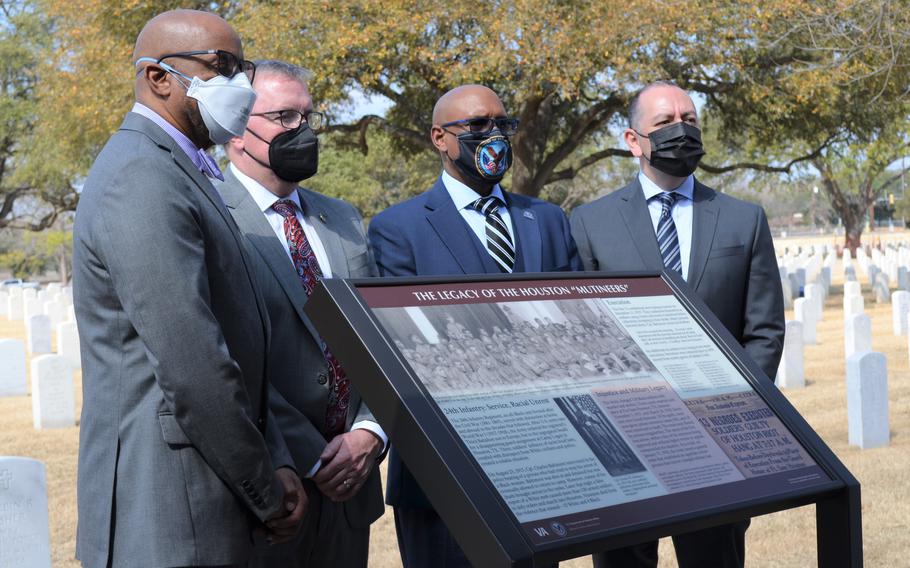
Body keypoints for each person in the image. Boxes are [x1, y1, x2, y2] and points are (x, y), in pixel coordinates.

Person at [72, 10, 306, 568]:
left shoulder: (184, 169)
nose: (240, 86)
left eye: (241, 68)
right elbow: (193, 361)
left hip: (206, 495)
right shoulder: (141, 177)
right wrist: (265, 488)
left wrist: (276, 455)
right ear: (158, 79)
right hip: (171, 510)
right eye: (221, 67)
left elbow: (244, 343)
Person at [569, 80, 785, 568]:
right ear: (632, 140)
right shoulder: (589, 222)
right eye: (664, 123)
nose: (680, 131)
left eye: (689, 120)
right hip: (625, 433)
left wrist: (734, 408)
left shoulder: (743, 219)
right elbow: (583, 335)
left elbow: (765, 330)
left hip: (721, 434)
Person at [368, 84, 581, 568]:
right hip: (447, 472)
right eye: (478, 126)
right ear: (440, 138)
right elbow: (410, 349)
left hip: (546, 466)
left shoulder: (546, 219)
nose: (495, 136)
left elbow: (574, 320)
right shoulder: (397, 229)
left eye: (503, 125)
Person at [216, 59, 386, 568]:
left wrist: (369, 433)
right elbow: (222, 354)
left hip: (354, 489)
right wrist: (310, 454)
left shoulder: (345, 218)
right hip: (271, 490)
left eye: (309, 117)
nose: (304, 131)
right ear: (237, 132)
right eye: (285, 117)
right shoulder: (211, 216)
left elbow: (381, 339)